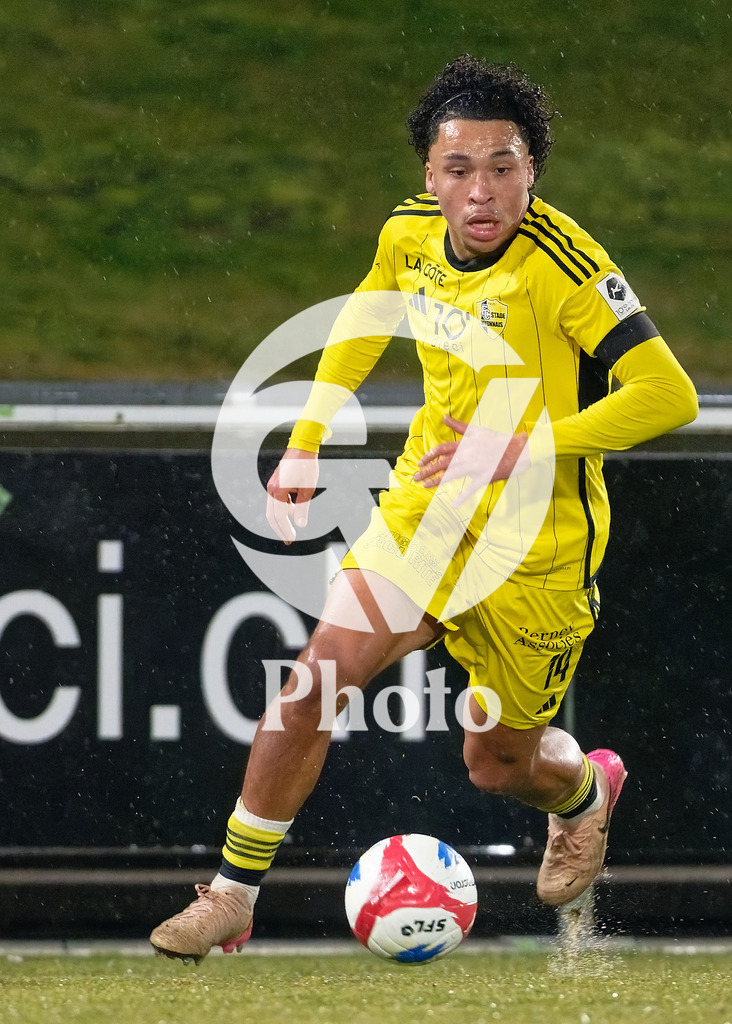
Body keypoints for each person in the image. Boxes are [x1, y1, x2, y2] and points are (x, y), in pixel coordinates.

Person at [150, 54, 698, 963]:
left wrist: (522, 445)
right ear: (428, 178)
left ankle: (582, 795)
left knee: (497, 764)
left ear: (533, 171)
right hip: (431, 509)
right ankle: (232, 895)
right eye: (459, 169)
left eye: (504, 166)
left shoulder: (564, 265)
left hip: (540, 543)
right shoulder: (408, 235)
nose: (481, 191)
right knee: (312, 683)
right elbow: (369, 313)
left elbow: (668, 393)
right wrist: (309, 435)